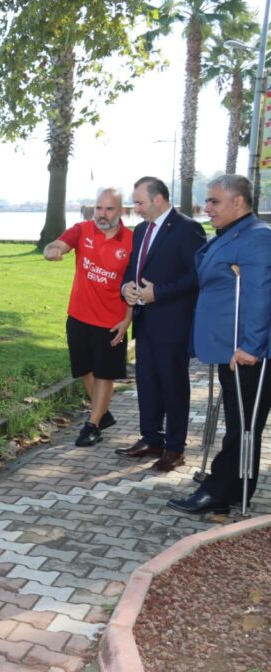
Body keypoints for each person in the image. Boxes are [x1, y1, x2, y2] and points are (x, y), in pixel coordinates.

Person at [168, 174, 271, 514]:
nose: (207, 207)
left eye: (214, 201)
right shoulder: (232, 234)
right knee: (241, 423)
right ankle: (233, 488)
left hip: (246, 352)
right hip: (230, 348)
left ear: (238, 201)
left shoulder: (257, 238)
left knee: (243, 426)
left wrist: (251, 347)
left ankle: (218, 490)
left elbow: (260, 296)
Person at [118, 176, 206, 471]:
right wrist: (126, 287)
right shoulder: (141, 230)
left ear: (158, 199)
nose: (136, 209)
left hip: (173, 323)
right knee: (147, 384)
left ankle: (175, 448)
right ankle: (151, 439)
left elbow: (196, 276)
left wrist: (159, 293)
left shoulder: (187, 228)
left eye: (139, 202)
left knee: (173, 386)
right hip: (144, 322)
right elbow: (132, 268)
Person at [43, 188, 133, 447]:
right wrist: (52, 250)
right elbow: (58, 244)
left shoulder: (131, 241)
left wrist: (127, 320)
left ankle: (92, 425)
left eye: (109, 209)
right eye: (99, 208)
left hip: (111, 322)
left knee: (105, 374)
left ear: (121, 211)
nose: (102, 214)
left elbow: (134, 285)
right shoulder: (82, 230)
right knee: (85, 370)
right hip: (78, 317)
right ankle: (102, 413)